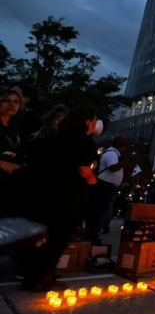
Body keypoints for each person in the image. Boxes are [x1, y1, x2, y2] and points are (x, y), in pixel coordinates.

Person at [18, 106, 101, 290]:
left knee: (44, 238)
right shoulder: (84, 142)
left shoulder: (54, 138)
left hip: (47, 193)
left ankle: (34, 276)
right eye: (94, 121)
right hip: (68, 195)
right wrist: (93, 181)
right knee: (58, 238)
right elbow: (84, 169)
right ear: (87, 122)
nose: (96, 124)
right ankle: (42, 277)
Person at [90, 136, 128, 241]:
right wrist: (125, 162)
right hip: (104, 187)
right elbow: (112, 168)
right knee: (99, 212)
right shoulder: (112, 154)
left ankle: (94, 234)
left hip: (107, 187)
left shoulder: (113, 153)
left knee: (101, 211)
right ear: (122, 146)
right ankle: (93, 236)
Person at [0, 85, 27, 217]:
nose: (11, 104)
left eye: (16, 102)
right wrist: (2, 164)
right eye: (7, 100)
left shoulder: (14, 130)